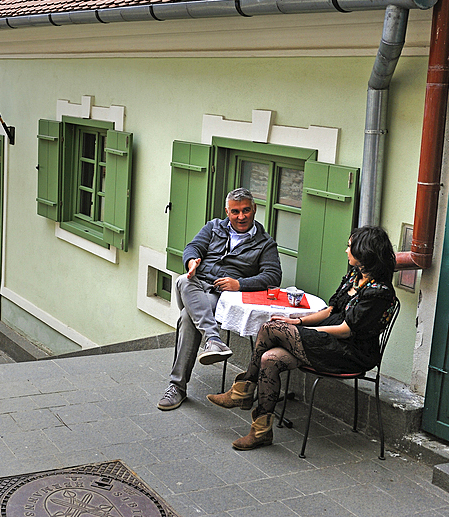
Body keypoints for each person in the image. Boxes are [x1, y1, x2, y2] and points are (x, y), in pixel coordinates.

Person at [208, 225, 398, 450]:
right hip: (327, 341)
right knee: (269, 358)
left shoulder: (380, 293)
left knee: (270, 328)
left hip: (349, 352)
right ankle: (260, 431)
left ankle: (244, 389)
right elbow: (330, 310)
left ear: (364, 252)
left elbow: (347, 329)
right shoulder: (355, 276)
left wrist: (307, 333)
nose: (346, 251)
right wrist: (298, 323)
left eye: (350, 247)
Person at [157, 187, 282, 411]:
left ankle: (177, 387)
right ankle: (213, 339)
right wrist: (192, 260)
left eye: (246, 210)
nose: (241, 216)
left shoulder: (265, 243)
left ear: (254, 209)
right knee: (183, 281)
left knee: (187, 317)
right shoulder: (213, 227)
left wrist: (239, 284)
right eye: (235, 212)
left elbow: (272, 276)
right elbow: (193, 247)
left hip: (223, 295)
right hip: (198, 284)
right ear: (227, 211)